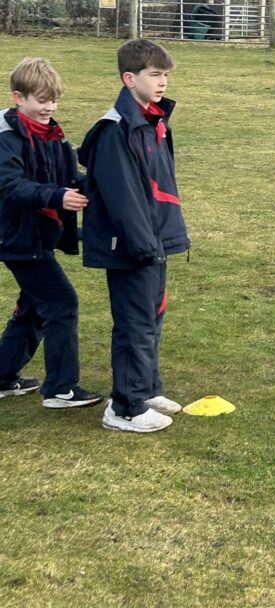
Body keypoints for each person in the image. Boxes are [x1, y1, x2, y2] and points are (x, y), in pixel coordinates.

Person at [79, 40, 190, 434]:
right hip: (133, 247)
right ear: (130, 79)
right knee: (134, 323)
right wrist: (146, 246)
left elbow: (158, 186)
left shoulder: (153, 122)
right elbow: (124, 197)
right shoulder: (116, 131)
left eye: (165, 75)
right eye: (155, 75)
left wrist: (165, 240)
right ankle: (125, 407)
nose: (162, 82)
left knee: (153, 318)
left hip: (154, 243)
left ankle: (146, 388)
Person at [0, 57, 101, 409]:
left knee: (33, 306)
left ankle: (3, 375)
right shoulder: (6, 137)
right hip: (17, 239)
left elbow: (68, 176)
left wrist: (101, 185)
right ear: (18, 97)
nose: (49, 107)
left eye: (54, 99)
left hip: (39, 237)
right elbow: (11, 185)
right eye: (42, 100)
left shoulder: (54, 135)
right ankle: (60, 389)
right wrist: (56, 196)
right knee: (61, 302)